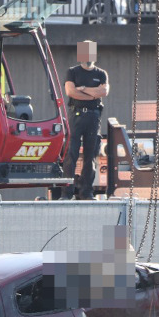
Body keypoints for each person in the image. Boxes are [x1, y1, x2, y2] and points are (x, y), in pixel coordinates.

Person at [63, 39, 109, 200]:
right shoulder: (72, 72)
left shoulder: (101, 73)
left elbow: (103, 92)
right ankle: (67, 192)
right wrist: (92, 93)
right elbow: (71, 92)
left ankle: (86, 192)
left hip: (93, 116)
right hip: (76, 115)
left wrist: (83, 89)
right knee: (71, 154)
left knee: (91, 156)